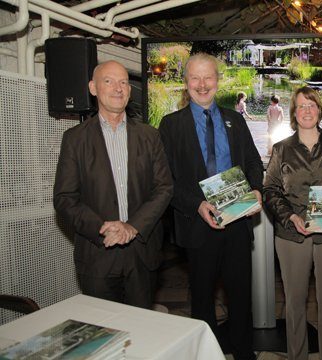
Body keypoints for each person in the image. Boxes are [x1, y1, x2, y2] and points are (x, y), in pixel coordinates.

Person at [158, 53, 264, 360]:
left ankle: (245, 353)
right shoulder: (170, 126)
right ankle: (206, 355)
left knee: (241, 297)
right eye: (195, 78)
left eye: (208, 78)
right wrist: (197, 205)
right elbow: (166, 181)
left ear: (217, 81)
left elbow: (254, 163)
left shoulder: (236, 120)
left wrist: (256, 189)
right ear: (185, 82)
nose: (202, 85)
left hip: (238, 223)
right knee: (202, 299)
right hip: (197, 226)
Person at [53, 60, 174, 309]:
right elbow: (65, 198)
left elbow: (164, 188)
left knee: (142, 332)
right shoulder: (75, 139)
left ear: (129, 92)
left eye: (123, 83)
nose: (118, 88)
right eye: (108, 81)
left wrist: (132, 227)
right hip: (97, 256)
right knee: (102, 334)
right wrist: (102, 228)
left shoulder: (150, 136)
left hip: (142, 253)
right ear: (93, 88)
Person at [264, 86, 322, 360]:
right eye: (301, 106)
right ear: (294, 113)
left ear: (319, 110)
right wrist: (289, 216)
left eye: (311, 105)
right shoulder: (282, 149)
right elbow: (270, 189)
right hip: (291, 235)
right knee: (294, 304)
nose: (306, 110)